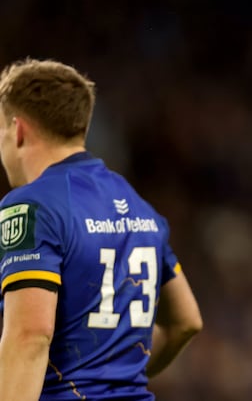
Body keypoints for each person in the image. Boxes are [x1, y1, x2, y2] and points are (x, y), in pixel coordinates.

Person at [0, 58, 203, 400]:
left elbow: (30, 335)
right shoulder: (139, 208)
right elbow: (187, 321)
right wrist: (117, 374)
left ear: (18, 130)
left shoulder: (30, 206)